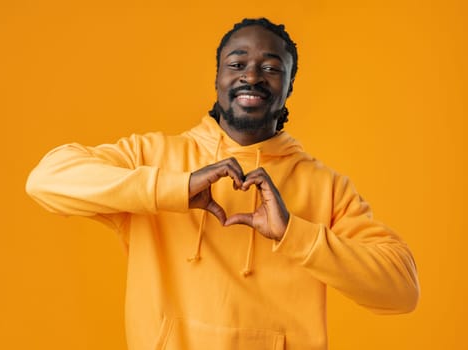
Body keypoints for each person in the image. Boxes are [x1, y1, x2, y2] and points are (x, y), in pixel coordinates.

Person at [26, 17, 419, 350]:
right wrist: (175, 189)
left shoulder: (326, 187)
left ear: (288, 87)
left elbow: (402, 292)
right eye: (238, 63)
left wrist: (294, 234)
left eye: (271, 67)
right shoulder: (154, 157)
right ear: (217, 77)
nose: (252, 75)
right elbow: (46, 180)